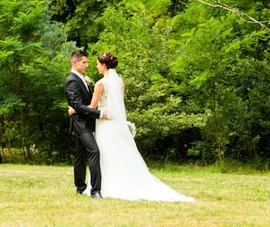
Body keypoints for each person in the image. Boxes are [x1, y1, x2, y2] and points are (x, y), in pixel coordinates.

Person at [69, 52, 194, 202]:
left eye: (97, 64)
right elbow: (118, 104)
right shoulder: (120, 82)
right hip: (117, 123)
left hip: (104, 123)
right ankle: (120, 182)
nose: (94, 66)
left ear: (103, 65)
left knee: (105, 154)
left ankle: (105, 186)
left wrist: (74, 109)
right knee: (119, 152)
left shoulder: (100, 84)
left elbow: (92, 106)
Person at [64, 50, 107, 199]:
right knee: (94, 151)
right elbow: (76, 104)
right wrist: (99, 114)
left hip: (86, 121)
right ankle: (95, 191)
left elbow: (83, 104)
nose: (87, 65)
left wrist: (77, 109)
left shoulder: (82, 78)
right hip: (80, 124)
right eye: (84, 62)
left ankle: (80, 187)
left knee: (80, 156)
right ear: (74, 63)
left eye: (88, 62)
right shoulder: (71, 80)